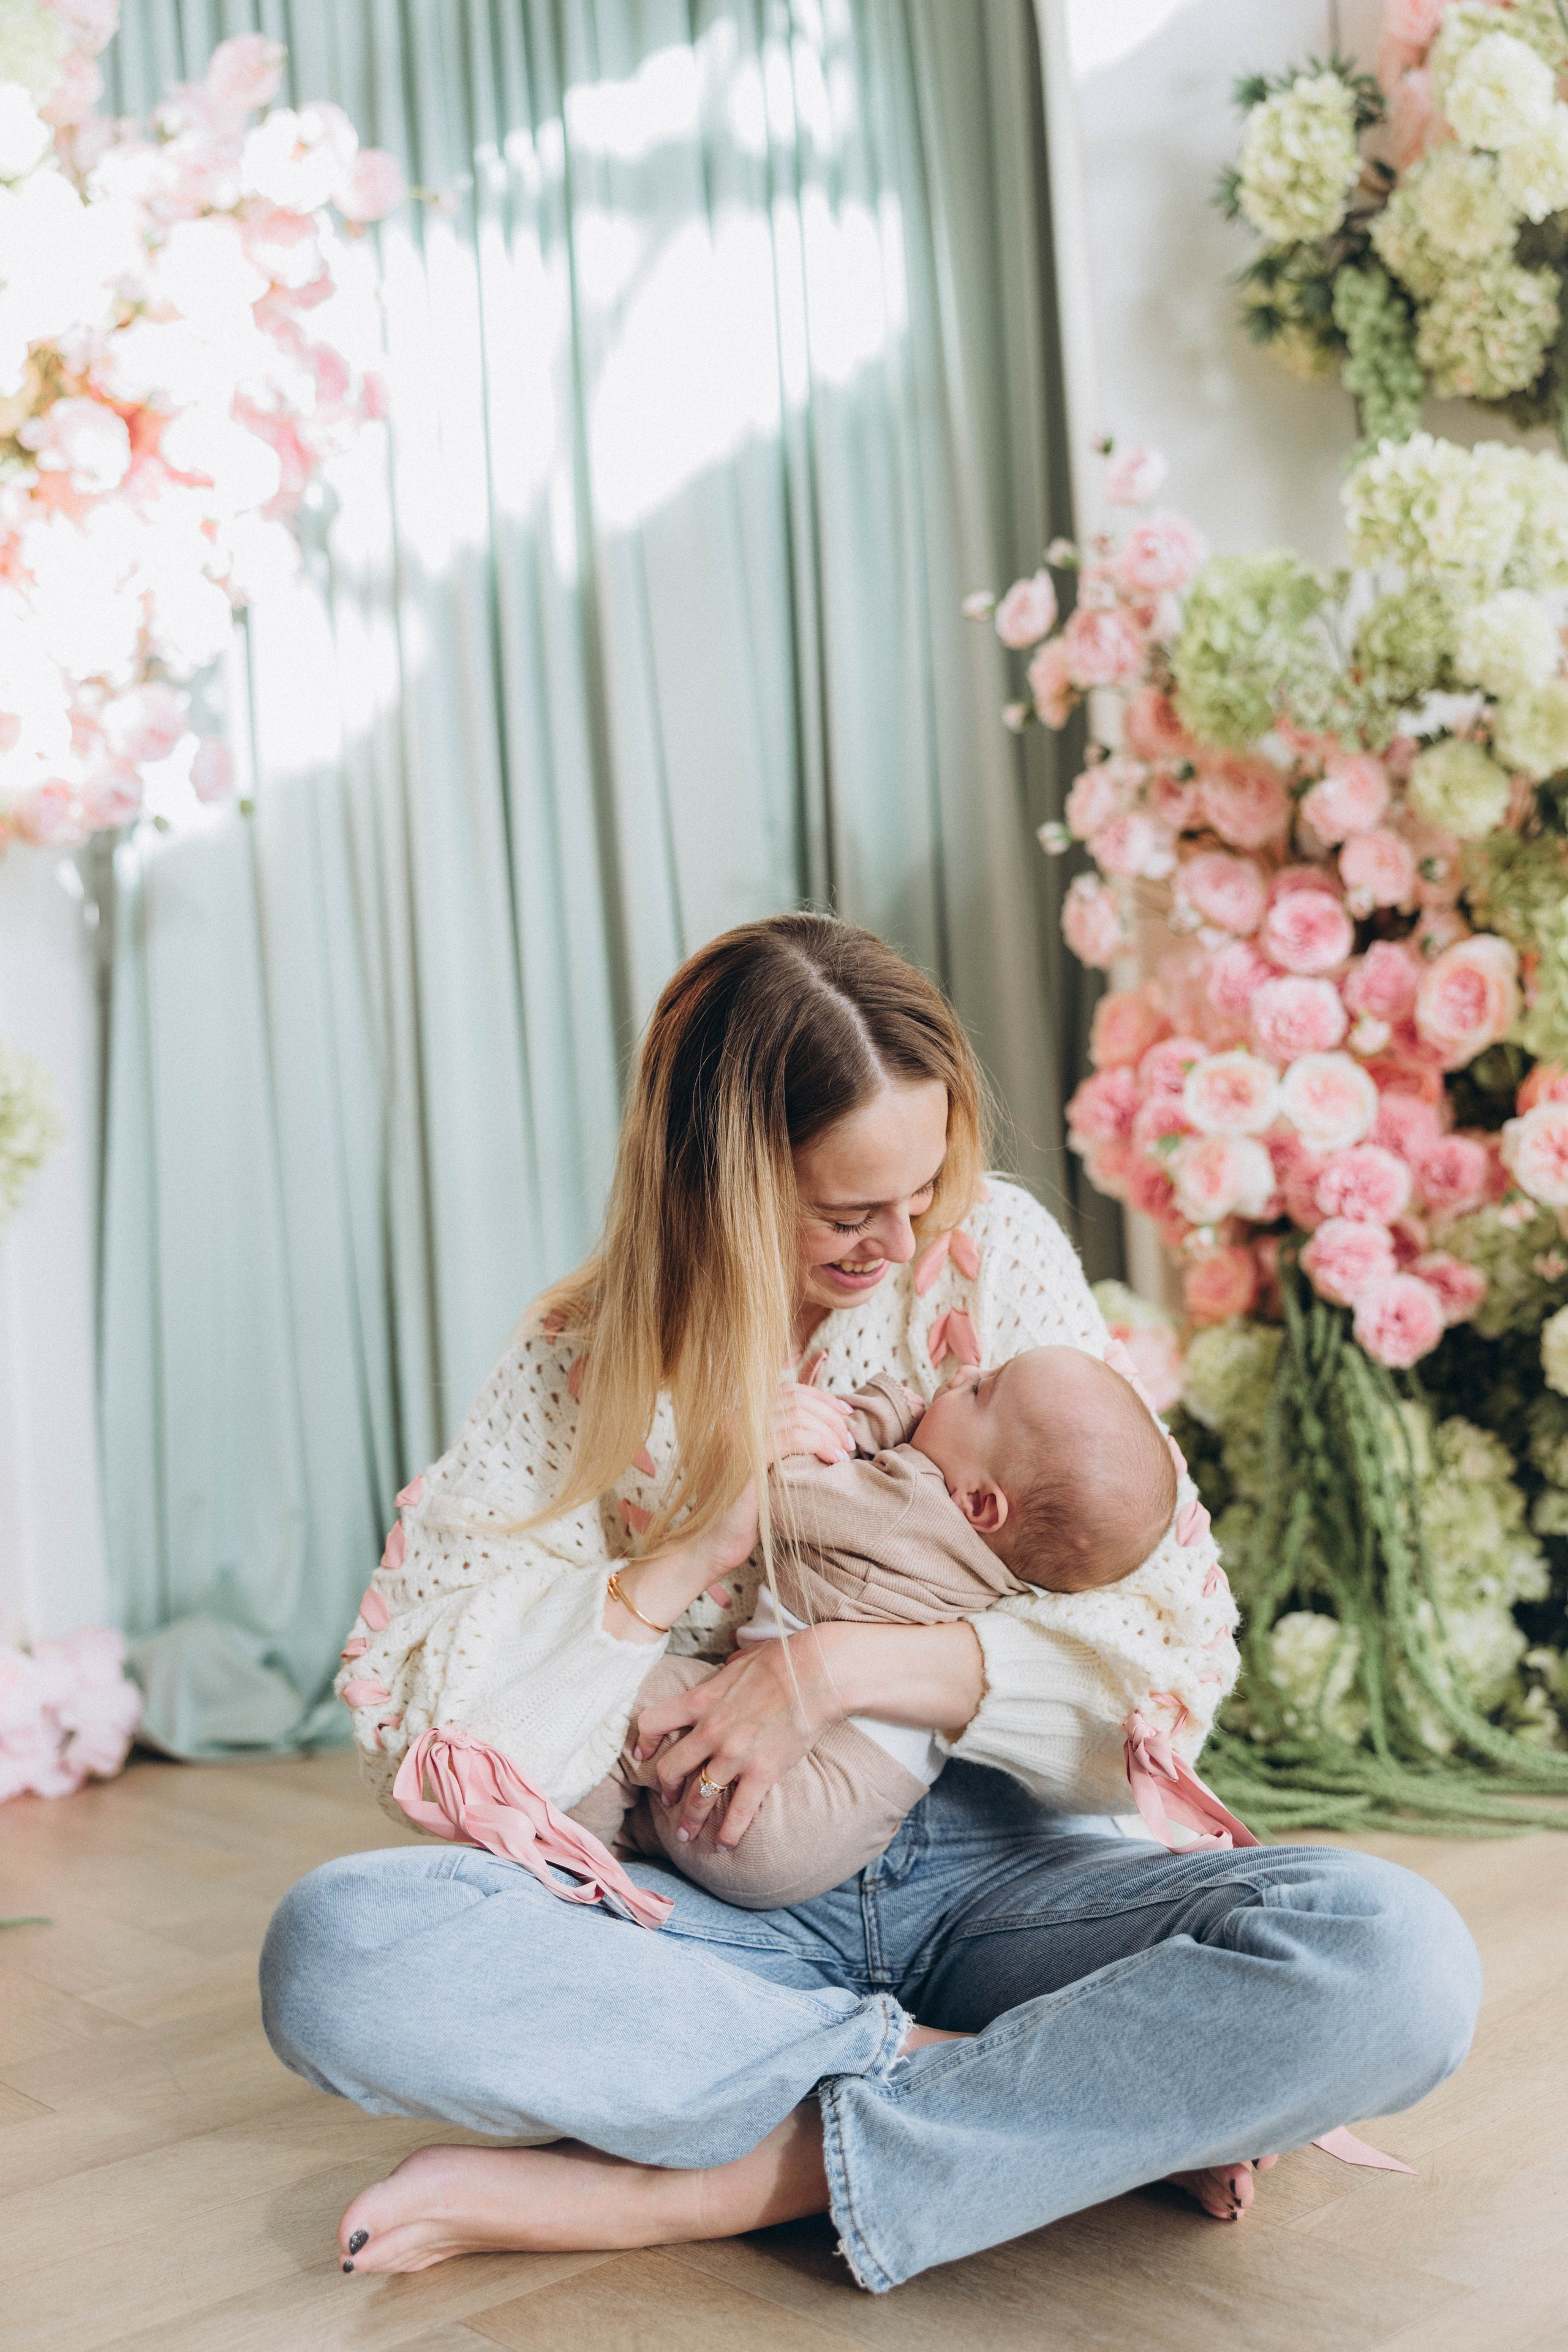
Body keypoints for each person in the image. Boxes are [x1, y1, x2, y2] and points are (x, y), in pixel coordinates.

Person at [260, 913, 1481, 2290]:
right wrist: (680, 1557)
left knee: (1395, 1960)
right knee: (340, 1951)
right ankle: (1029, 2103)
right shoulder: (582, 1363)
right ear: (721, 1181)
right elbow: (437, 1746)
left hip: (1007, 1876)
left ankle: (713, 2184)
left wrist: (838, 1671)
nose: (902, 1243)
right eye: (849, 1211)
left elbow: (1164, 1646)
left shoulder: (987, 1256)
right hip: (713, 1911)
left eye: (924, 1189)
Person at [582, 1348, 1183, 1908]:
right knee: (657, 1771)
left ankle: (569, 1869)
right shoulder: (995, 1569)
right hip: (842, 1831)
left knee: (619, 1708)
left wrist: (822, 1423)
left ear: (977, 1504)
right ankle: (625, 1844)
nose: (958, 1372)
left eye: (977, 1390)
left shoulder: (901, 1511)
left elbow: (785, 1491)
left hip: (791, 1798)